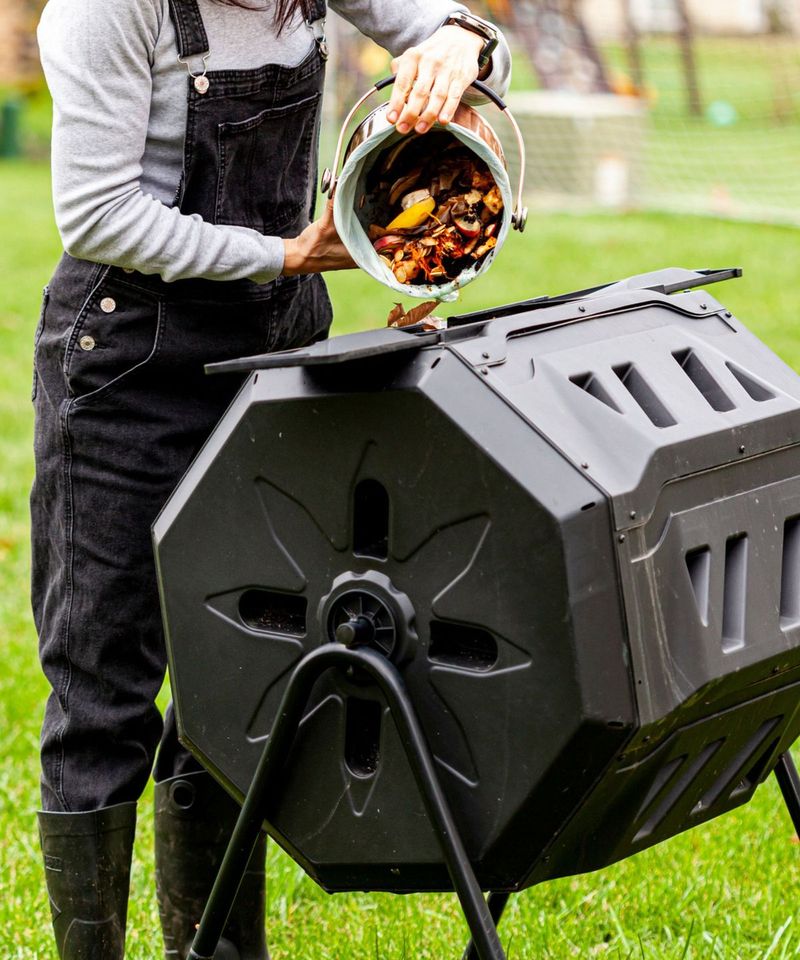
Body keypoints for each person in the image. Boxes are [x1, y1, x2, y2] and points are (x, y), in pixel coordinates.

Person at [32, 0, 511, 957]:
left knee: (238, 681)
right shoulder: (105, 11)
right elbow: (94, 213)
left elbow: (454, 39)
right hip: (133, 367)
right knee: (103, 696)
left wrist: (467, 45)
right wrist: (285, 253)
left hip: (274, 355)